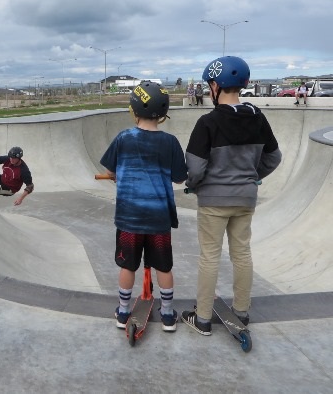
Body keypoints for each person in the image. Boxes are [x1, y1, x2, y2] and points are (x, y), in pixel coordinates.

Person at [182, 56, 282, 335]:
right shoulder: (258, 118)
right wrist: (253, 175)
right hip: (245, 200)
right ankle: (242, 311)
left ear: (215, 86)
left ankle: (202, 318)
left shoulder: (207, 122)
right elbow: (274, 158)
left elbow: (196, 168)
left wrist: (195, 183)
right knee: (242, 254)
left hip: (213, 201)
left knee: (209, 257)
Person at [99, 81, 187, 332]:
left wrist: (119, 174)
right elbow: (180, 177)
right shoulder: (170, 142)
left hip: (129, 218)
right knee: (163, 266)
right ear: (162, 114)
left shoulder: (124, 138)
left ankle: (123, 312)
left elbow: (110, 170)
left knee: (128, 265)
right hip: (158, 219)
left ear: (133, 110)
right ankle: (168, 315)